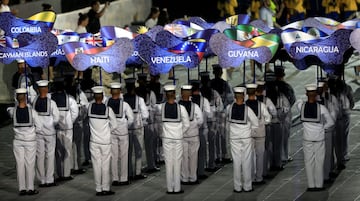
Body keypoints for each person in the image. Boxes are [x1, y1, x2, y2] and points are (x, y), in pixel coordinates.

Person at [296, 84, 334, 191]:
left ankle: (311, 185)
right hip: (319, 138)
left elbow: (298, 102)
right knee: (319, 161)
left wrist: (307, 97)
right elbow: (330, 122)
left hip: (307, 137)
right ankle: (319, 184)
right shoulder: (322, 108)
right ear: (316, 95)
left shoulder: (301, 106)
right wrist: (322, 128)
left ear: (306, 94)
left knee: (308, 162)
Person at [156, 85, 190, 194]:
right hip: (178, 138)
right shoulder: (181, 108)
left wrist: (163, 133)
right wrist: (180, 132)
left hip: (166, 138)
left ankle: (170, 188)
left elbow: (158, 123)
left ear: (166, 95)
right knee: (177, 162)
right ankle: (177, 188)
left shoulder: (160, 107)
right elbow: (187, 124)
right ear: (175, 95)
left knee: (168, 163)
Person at [7, 88, 41, 195]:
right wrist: (31, 133)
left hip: (18, 141)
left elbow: (8, 110)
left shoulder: (13, 111)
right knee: (30, 164)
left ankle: (22, 188)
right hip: (30, 140)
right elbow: (39, 127)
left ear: (16, 98)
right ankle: (30, 188)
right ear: (26, 97)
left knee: (20, 164)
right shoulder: (32, 112)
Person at [227, 87, 259, 193]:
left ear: (235, 96)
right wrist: (250, 132)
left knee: (236, 162)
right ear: (244, 96)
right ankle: (247, 186)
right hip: (245, 138)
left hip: (234, 138)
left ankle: (237, 187)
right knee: (246, 162)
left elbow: (226, 121)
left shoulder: (229, 108)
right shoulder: (248, 109)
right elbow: (256, 123)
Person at [88, 86, 116, 196]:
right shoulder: (108, 110)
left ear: (94, 97)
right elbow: (114, 125)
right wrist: (107, 131)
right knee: (105, 165)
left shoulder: (89, 107)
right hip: (105, 141)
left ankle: (98, 188)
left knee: (96, 165)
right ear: (103, 97)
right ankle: (106, 188)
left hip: (94, 141)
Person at [32, 80, 59, 187]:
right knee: (50, 155)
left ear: (38, 90)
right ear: (47, 89)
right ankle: (49, 179)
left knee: (40, 156)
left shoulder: (34, 101)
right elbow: (56, 118)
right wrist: (50, 124)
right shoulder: (51, 103)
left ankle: (41, 179)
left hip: (38, 132)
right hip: (50, 132)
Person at [106, 82, 134, 186]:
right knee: (124, 155)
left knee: (113, 156)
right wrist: (126, 126)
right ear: (120, 92)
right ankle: (123, 178)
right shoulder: (125, 104)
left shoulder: (106, 103)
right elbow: (131, 119)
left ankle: (114, 178)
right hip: (123, 132)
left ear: (110, 92)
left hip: (111, 132)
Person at [51, 78, 79, 181]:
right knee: (67, 150)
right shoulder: (69, 98)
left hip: (56, 128)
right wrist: (69, 122)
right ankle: (66, 174)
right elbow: (75, 113)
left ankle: (59, 173)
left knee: (58, 151)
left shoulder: (51, 98)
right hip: (67, 128)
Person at [245, 83, 271, 185]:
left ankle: (250, 178)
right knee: (260, 156)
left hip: (248, 133)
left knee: (249, 156)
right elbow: (268, 118)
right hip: (260, 133)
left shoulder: (244, 105)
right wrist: (262, 123)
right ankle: (259, 177)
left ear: (247, 93)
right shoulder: (262, 105)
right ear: (255, 92)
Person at [123, 78, 149, 180]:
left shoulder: (122, 99)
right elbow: (145, 114)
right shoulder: (140, 100)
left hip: (126, 129)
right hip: (137, 128)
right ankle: (138, 172)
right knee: (138, 151)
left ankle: (129, 172)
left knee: (128, 151)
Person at [179, 85, 203, 185]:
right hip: (193, 135)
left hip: (182, 135)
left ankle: (184, 178)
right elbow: (201, 120)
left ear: (181, 93)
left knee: (183, 157)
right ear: (190, 94)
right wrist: (193, 126)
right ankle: (193, 177)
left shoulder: (177, 106)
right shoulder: (195, 106)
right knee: (193, 157)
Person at [135, 73, 159, 173]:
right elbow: (155, 106)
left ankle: (138, 169)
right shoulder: (150, 92)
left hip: (138, 123)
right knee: (149, 145)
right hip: (148, 122)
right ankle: (150, 165)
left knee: (139, 146)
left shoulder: (135, 92)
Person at [210, 64, 233, 164]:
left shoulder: (210, 84)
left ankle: (216, 155)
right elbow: (230, 98)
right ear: (221, 72)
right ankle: (224, 155)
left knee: (215, 135)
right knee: (223, 135)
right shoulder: (225, 84)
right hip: (222, 112)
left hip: (212, 112)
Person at [316, 81, 338, 182]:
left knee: (328, 153)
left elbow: (334, 113)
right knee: (322, 155)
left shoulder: (330, 99)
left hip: (327, 130)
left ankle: (329, 171)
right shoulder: (316, 101)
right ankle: (324, 175)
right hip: (321, 131)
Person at [255, 81, 277, 178]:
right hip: (264, 128)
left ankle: (254, 174)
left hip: (250, 130)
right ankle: (263, 171)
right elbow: (274, 112)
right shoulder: (266, 101)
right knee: (265, 149)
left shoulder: (247, 100)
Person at [190, 79, 212, 179]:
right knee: (202, 151)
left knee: (190, 153)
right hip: (202, 129)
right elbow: (209, 114)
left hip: (189, 130)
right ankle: (200, 171)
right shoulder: (204, 100)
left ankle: (191, 173)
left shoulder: (187, 100)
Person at [275, 66, 296, 164]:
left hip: (274, 114)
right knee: (285, 136)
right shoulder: (287, 87)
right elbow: (293, 99)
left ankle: (277, 156)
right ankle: (285, 155)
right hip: (286, 114)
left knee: (275, 137)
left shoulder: (271, 86)